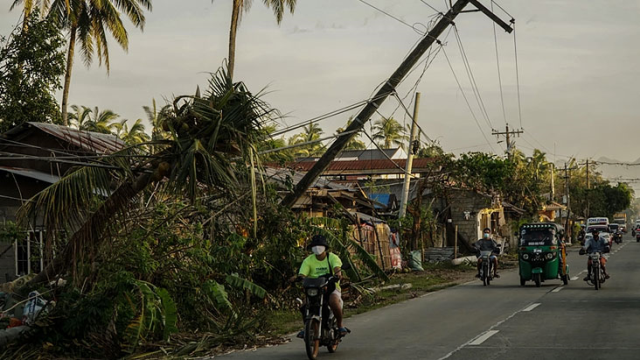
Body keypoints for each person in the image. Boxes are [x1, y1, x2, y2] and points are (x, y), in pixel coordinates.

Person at [291, 235, 348, 338]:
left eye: (320, 245)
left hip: (331, 288)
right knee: (304, 306)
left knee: (334, 302)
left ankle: (340, 326)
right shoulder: (308, 260)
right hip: (314, 289)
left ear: (325, 247)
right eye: (315, 246)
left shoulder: (332, 258)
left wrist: (337, 275)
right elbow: (302, 274)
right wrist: (298, 278)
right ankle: (307, 327)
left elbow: (336, 268)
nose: (317, 248)